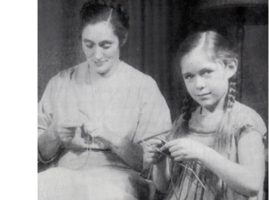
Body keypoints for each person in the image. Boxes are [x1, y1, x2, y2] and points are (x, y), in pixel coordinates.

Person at [38, 0, 171, 200]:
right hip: (63, 177)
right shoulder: (61, 82)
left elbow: (152, 162)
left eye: (106, 45)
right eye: (88, 45)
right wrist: (54, 134)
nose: (96, 55)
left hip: (118, 181)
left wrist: (113, 139)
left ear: (122, 39)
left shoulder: (143, 87)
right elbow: (39, 153)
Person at [143, 31, 267, 200]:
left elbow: (253, 185)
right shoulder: (184, 122)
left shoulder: (244, 121)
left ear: (230, 68)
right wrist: (159, 163)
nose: (198, 85)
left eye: (206, 72)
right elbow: (165, 188)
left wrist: (202, 152)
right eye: (189, 76)